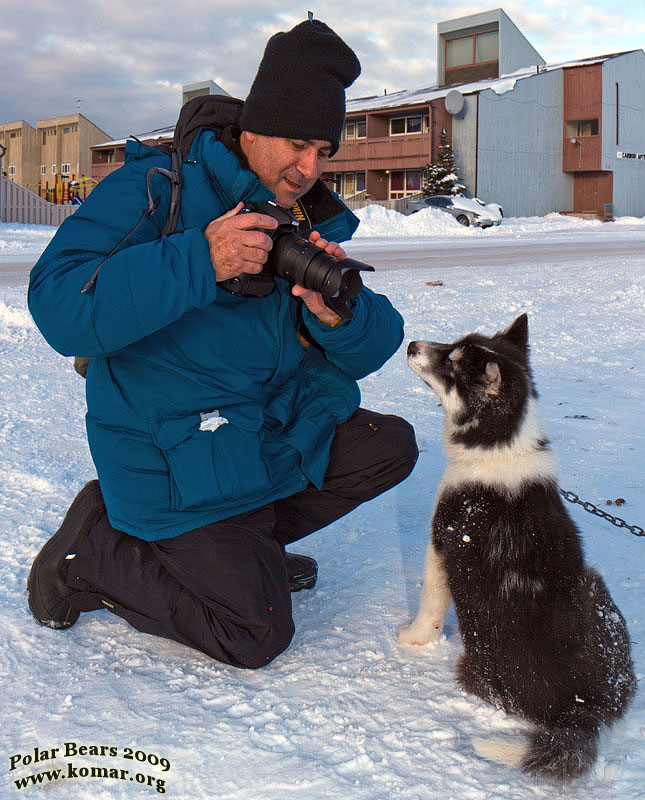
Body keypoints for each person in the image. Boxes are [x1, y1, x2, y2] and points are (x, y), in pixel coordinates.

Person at [27, 18, 418, 669]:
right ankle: (94, 555)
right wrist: (198, 261)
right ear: (254, 127)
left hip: (249, 437)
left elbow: (376, 348)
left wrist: (335, 315)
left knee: (390, 447)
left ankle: (246, 547)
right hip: (171, 451)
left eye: (323, 150)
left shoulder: (293, 214)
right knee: (254, 633)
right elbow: (59, 305)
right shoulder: (159, 193)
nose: (309, 167)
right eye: (298, 144)